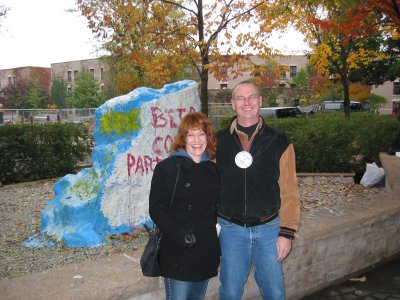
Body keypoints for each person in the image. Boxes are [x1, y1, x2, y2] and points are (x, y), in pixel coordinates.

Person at [216, 80, 301, 300]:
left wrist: (287, 233)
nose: (247, 103)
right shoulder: (217, 141)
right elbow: (206, 185)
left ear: (260, 101)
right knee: (230, 293)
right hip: (231, 229)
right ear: (233, 104)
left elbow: (289, 190)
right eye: (241, 98)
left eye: (252, 97)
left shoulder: (279, 141)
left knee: (274, 292)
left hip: (268, 230)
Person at [149, 112, 220, 300]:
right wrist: (180, 235)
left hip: (205, 250)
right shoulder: (167, 167)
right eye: (191, 135)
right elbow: (157, 209)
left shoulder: (212, 170)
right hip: (178, 250)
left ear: (208, 137)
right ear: (183, 138)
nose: (197, 140)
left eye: (202, 134)